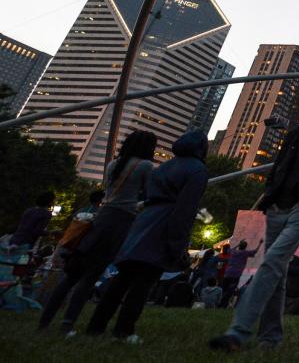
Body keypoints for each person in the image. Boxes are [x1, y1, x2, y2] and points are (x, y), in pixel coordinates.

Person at [210, 85, 299, 353]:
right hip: (278, 206)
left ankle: (238, 332)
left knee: (272, 262)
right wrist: (270, 194)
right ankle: (271, 337)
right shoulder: (296, 134)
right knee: (278, 269)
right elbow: (279, 166)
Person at [83, 131, 210, 344]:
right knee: (144, 282)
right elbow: (186, 210)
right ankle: (124, 331)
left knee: (122, 279)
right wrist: (177, 243)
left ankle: (95, 326)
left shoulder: (163, 167)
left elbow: (146, 194)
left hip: (143, 221)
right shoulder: (198, 170)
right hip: (163, 225)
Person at [38, 131, 157, 331]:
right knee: (91, 275)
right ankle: (67, 324)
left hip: (99, 219)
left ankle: (45, 321)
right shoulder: (145, 166)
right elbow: (151, 193)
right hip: (119, 222)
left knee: (72, 274)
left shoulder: (113, 164)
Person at [219, 239, 262, 307]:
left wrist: (238, 244)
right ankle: (224, 304)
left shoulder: (233, 252)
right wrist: (260, 243)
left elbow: (229, 250)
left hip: (228, 273)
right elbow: (255, 251)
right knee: (231, 290)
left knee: (225, 288)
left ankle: (220, 303)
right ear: (245, 247)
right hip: (236, 274)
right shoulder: (245, 253)